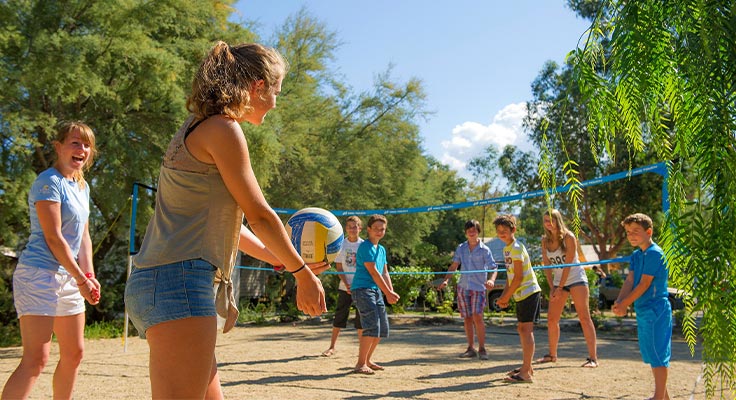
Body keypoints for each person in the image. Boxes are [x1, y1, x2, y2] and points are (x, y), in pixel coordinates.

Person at [124, 41, 326, 399]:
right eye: (277, 90)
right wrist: (302, 274)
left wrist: (280, 258)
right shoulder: (224, 130)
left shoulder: (197, 126)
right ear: (258, 86)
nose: (277, 102)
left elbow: (224, 223)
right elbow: (260, 214)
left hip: (162, 281)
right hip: (178, 283)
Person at [2, 122, 101, 400]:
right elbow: (54, 238)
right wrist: (81, 279)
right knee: (36, 359)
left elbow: (83, 237)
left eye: (86, 145)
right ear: (58, 147)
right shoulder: (48, 181)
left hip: (70, 276)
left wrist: (89, 276)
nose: (81, 149)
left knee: (74, 353)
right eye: (74, 142)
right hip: (38, 275)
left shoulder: (82, 187)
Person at [613, 213, 671, 400]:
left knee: (658, 354)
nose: (631, 235)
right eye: (628, 232)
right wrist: (619, 302)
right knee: (652, 353)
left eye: (636, 231)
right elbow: (630, 280)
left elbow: (644, 284)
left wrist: (625, 304)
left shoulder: (654, 253)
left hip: (656, 309)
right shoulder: (637, 255)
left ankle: (658, 397)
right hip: (644, 310)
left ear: (649, 232)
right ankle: (663, 396)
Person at [535, 209, 598, 367]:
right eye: (545, 221)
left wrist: (560, 287)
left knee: (584, 317)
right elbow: (547, 266)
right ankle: (552, 355)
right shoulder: (545, 240)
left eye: (551, 220)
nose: (548, 224)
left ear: (557, 220)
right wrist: (552, 287)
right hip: (557, 282)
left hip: (576, 278)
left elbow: (569, 264)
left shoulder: (569, 237)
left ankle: (593, 358)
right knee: (551, 319)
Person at [438, 219, 497, 360]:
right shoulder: (461, 248)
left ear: (478, 232)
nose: (472, 232)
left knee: (477, 316)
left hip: (478, 287)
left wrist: (491, 280)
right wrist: (446, 279)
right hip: (463, 287)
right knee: (467, 318)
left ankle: (482, 348)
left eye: (474, 230)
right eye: (469, 230)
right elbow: (454, 266)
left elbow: (494, 267)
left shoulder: (485, 249)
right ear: (466, 233)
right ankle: (470, 348)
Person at [494, 214, 541, 384]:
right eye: (499, 231)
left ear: (513, 230)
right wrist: (504, 296)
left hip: (529, 292)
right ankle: (527, 367)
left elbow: (519, 277)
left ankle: (526, 372)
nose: (501, 234)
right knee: (522, 329)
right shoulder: (507, 249)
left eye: (504, 231)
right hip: (521, 294)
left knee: (526, 330)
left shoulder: (516, 248)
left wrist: (506, 296)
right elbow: (510, 277)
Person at [351, 215, 400, 375]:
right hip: (363, 289)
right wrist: (387, 292)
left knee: (382, 328)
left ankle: (367, 360)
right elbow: (373, 272)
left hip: (376, 290)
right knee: (371, 326)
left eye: (382, 229)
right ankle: (360, 364)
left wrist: (390, 292)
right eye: (376, 228)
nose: (379, 231)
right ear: (369, 229)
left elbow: (384, 272)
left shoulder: (382, 249)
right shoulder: (365, 247)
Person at [322, 216, 364, 357]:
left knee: (361, 319)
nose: (352, 229)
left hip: (360, 287)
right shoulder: (341, 245)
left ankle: (362, 351)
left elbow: (366, 267)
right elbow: (339, 266)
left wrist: (356, 285)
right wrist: (347, 284)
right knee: (339, 316)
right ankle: (332, 347)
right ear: (346, 228)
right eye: (350, 226)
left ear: (360, 228)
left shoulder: (364, 245)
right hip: (344, 287)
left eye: (355, 226)